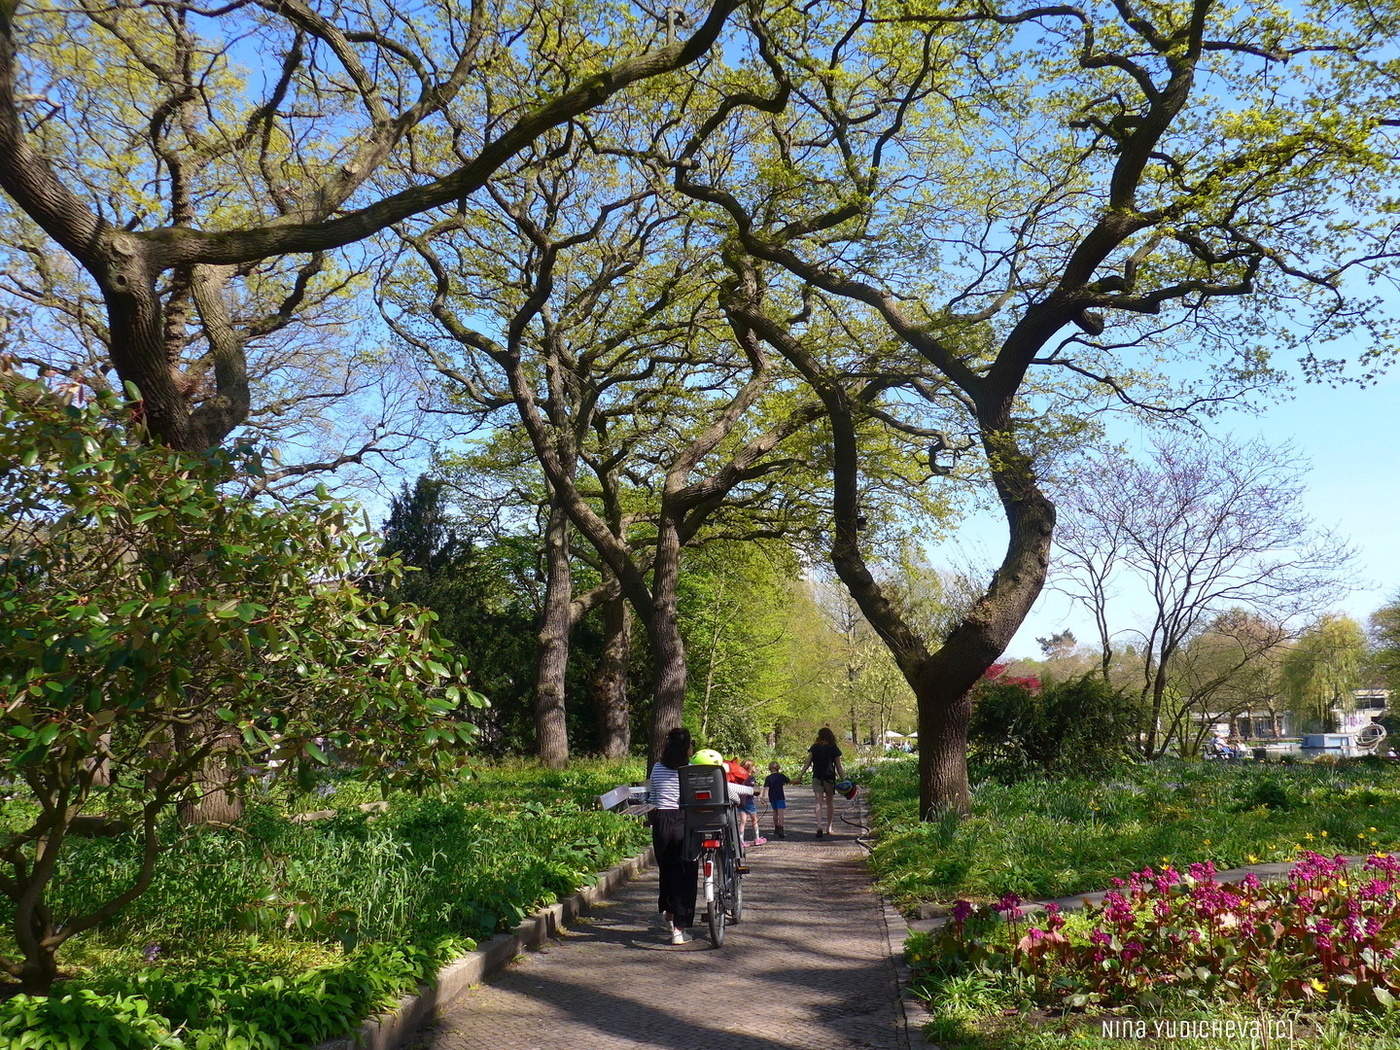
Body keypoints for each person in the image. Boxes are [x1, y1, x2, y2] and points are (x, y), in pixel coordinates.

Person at [647, 727, 697, 944]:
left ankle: (667, 911)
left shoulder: (657, 767)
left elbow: (652, 795)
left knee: (667, 870)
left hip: (661, 821)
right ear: (688, 747)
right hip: (684, 820)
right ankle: (679, 927)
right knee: (686, 873)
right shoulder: (691, 769)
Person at [797, 726, 844, 838]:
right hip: (829, 778)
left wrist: (800, 775)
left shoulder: (814, 747)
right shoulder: (833, 748)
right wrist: (845, 780)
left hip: (817, 777)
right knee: (829, 803)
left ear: (819, 736)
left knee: (818, 802)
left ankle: (819, 826)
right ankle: (829, 827)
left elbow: (807, 763)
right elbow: (839, 766)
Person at [736, 760, 765, 846]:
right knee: (754, 820)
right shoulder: (751, 778)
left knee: (743, 821)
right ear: (750, 768)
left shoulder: (739, 778)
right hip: (749, 802)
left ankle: (741, 841)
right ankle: (757, 838)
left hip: (740, 801)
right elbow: (754, 790)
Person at [761, 761, 790, 839]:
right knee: (781, 813)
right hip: (780, 796)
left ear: (770, 768)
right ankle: (781, 828)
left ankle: (776, 827)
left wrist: (763, 797)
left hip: (772, 797)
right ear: (778, 768)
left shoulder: (768, 778)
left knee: (775, 812)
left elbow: (766, 788)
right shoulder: (781, 776)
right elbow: (789, 781)